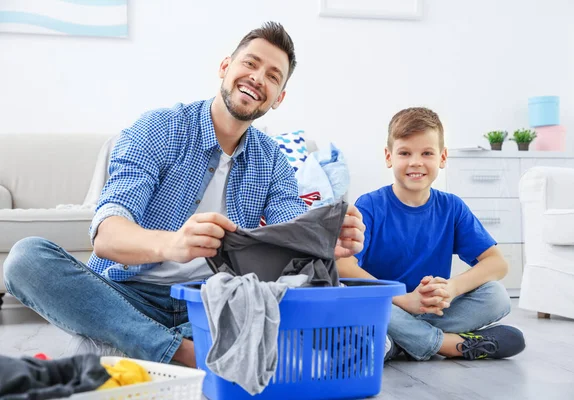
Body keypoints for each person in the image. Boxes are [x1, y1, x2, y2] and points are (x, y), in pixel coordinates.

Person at [3, 22, 365, 368]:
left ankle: (131, 342)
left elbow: (293, 231)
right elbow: (107, 235)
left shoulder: (273, 161)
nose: (258, 78)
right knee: (26, 259)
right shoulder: (159, 129)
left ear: (278, 98)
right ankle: (185, 352)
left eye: (273, 76)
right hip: (129, 294)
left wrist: (322, 239)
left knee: (291, 307)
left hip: (211, 302)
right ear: (225, 67)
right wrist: (172, 244)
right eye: (250, 64)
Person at [337, 107, 525, 361]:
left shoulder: (452, 207)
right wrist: (403, 299)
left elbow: (497, 263)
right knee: (359, 302)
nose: (416, 162)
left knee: (497, 297)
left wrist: (452, 287)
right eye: (405, 153)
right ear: (389, 156)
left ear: (443, 157)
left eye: (427, 153)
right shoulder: (370, 205)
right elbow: (344, 265)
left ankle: (400, 343)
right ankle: (448, 345)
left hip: (431, 309)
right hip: (389, 305)